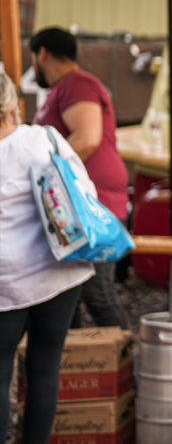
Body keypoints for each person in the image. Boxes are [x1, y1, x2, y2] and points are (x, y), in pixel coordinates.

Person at [1, 71, 95, 444]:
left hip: (6, 283)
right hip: (60, 272)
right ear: (12, 106)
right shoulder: (44, 138)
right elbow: (85, 193)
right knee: (45, 368)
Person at [28, 28, 130, 330]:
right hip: (77, 206)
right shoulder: (64, 88)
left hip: (92, 205)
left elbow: (87, 138)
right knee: (65, 294)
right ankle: (72, 358)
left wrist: (44, 178)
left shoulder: (77, 84)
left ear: (42, 54)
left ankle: (124, 357)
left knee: (97, 294)